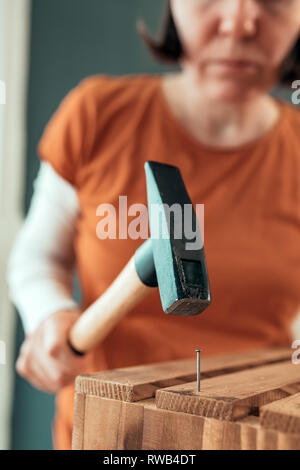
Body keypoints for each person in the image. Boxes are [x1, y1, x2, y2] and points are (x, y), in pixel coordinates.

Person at [7, 0, 300, 450]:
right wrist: (47, 312)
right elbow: (38, 256)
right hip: (109, 436)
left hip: (251, 435)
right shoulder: (97, 113)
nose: (240, 21)